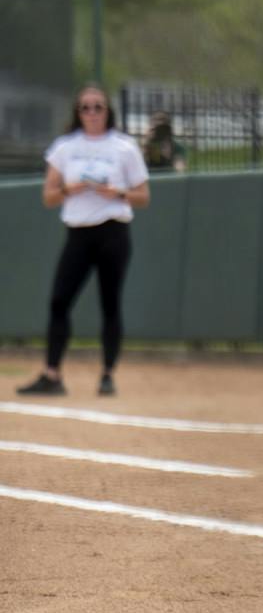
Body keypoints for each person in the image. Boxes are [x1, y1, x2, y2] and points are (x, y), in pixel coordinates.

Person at [18, 85, 151, 398]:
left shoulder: (124, 147)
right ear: (77, 113)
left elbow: (143, 196)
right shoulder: (65, 147)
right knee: (59, 300)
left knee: (110, 303)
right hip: (78, 233)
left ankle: (107, 375)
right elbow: (48, 196)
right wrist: (70, 189)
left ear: (108, 111)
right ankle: (52, 375)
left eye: (98, 107)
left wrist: (117, 192)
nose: (92, 113)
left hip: (113, 232)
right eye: (86, 108)